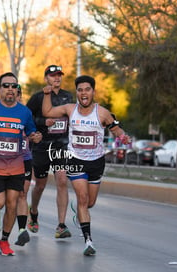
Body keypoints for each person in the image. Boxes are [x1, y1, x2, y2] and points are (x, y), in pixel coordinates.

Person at [42, 75, 131, 256]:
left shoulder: (102, 113)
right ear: (77, 93)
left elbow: (116, 130)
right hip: (75, 160)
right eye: (80, 90)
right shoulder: (69, 109)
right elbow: (48, 112)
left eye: (87, 90)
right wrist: (46, 94)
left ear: (93, 92)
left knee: (90, 202)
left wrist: (123, 138)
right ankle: (88, 241)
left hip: (97, 162)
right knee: (82, 199)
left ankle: (79, 212)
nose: (83, 93)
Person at [0, 72, 42, 256]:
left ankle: (4, 241)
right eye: (6, 86)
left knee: (12, 203)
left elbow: (33, 133)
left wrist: (37, 136)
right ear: (0, 89)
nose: (10, 89)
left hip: (16, 165)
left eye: (14, 86)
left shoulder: (24, 112)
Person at [26, 65, 73, 238]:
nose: (57, 78)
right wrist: (42, 122)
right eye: (53, 76)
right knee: (40, 185)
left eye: (59, 75)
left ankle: (61, 225)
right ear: (46, 78)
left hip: (61, 145)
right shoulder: (38, 97)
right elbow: (26, 118)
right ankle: (34, 212)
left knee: (62, 180)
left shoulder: (67, 96)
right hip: (42, 147)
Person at [14, 85, 31, 247]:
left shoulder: (26, 113)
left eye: (18, 94)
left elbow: (34, 132)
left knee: (22, 195)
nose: (15, 96)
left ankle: (21, 230)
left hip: (25, 159)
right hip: (3, 161)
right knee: (5, 198)